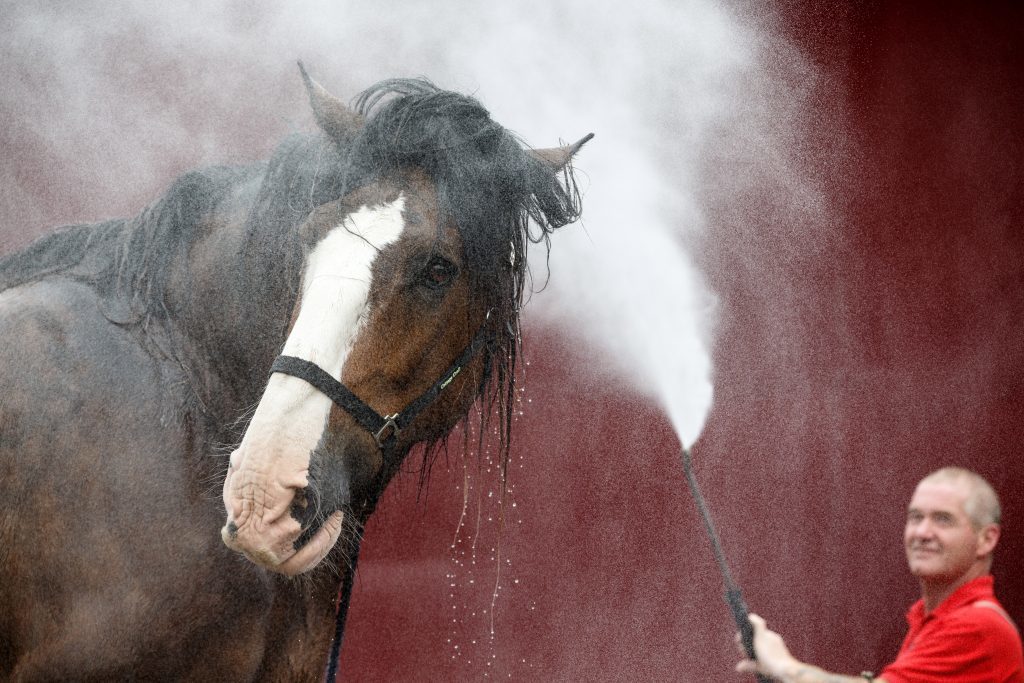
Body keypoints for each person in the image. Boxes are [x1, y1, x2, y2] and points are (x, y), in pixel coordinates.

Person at [736, 466, 1023, 682]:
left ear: (987, 539)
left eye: (943, 520)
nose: (922, 532)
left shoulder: (979, 627)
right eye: (915, 517)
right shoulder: (931, 619)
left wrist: (786, 667)